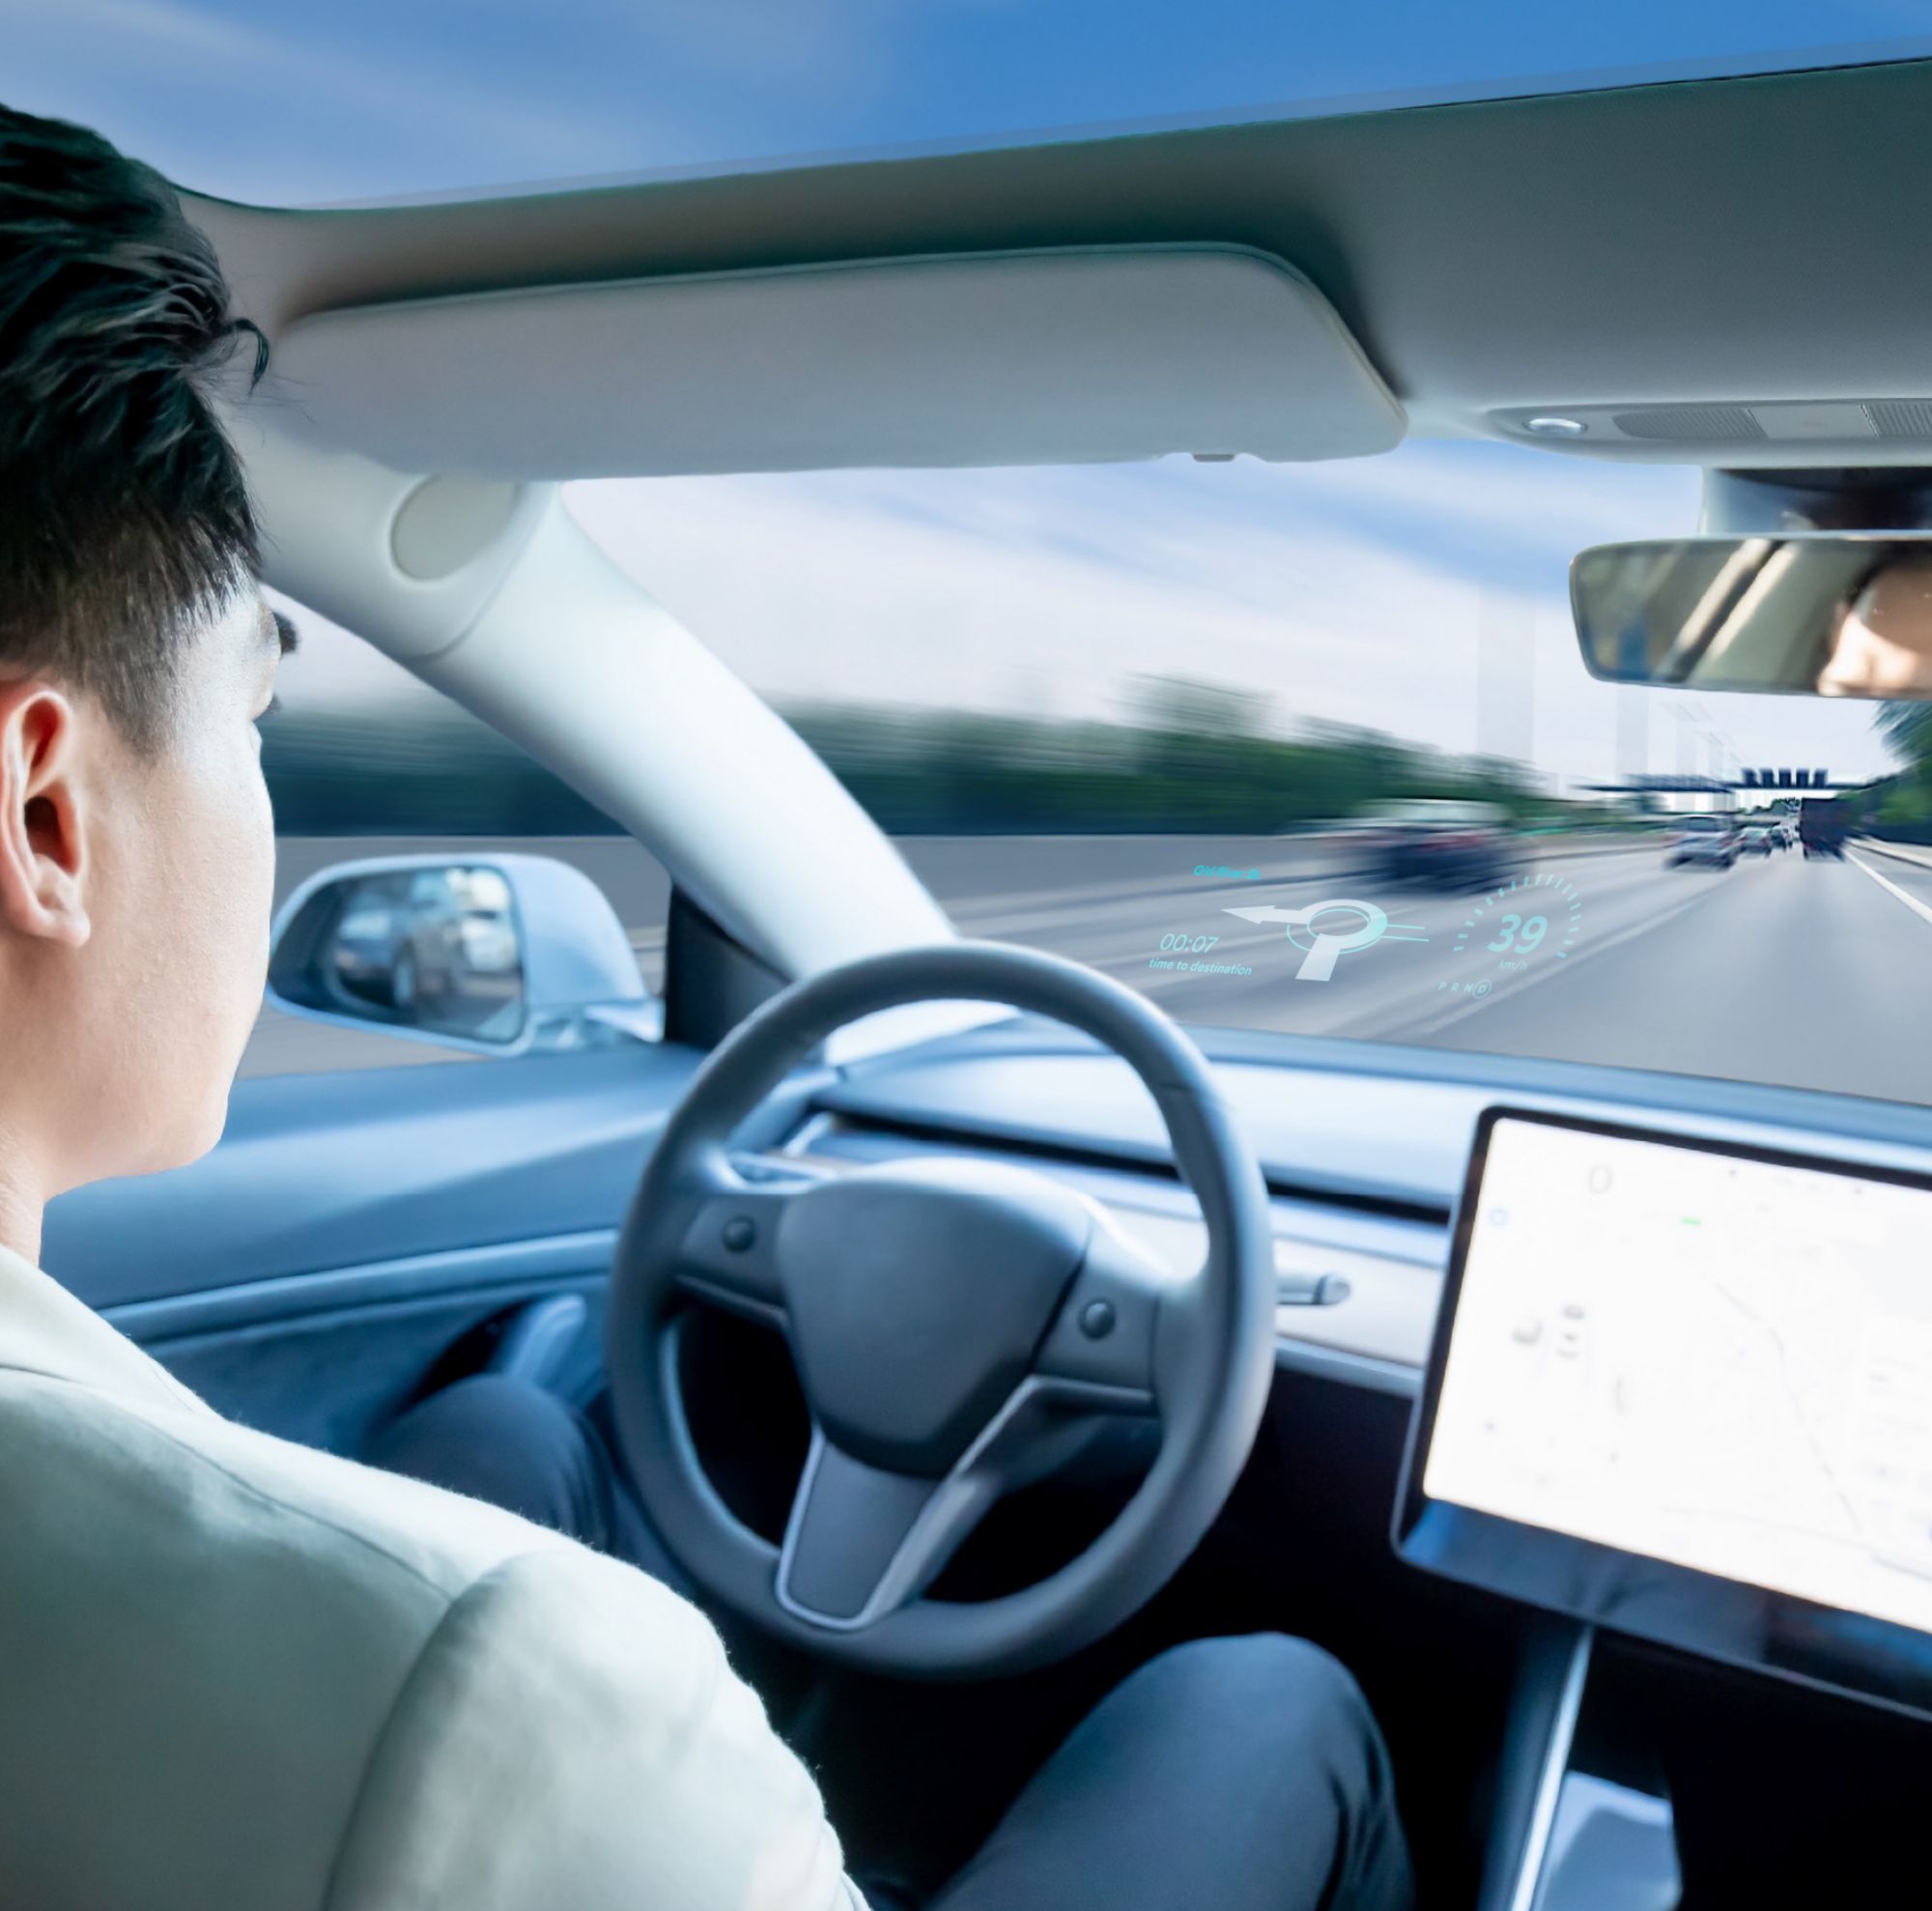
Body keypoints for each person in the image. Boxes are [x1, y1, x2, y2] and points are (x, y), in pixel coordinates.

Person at [0, 101, 1412, 1910]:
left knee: (510, 1432)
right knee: (1267, 1700)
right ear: (47, 814)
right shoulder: (501, 1698)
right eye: (253, 724)